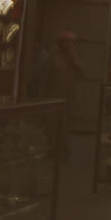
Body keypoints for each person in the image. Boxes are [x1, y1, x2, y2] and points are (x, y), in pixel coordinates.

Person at [41, 31, 85, 160]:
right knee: (53, 125)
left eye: (71, 43)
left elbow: (82, 74)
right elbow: (44, 79)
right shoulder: (52, 59)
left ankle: (63, 150)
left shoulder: (74, 59)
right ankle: (53, 150)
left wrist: (76, 63)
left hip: (68, 97)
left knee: (65, 125)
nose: (69, 45)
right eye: (66, 42)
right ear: (61, 44)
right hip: (53, 97)